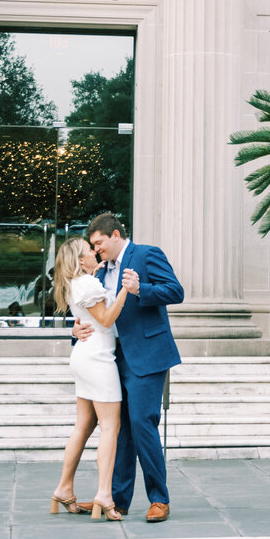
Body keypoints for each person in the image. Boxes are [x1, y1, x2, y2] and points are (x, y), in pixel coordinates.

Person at [72, 213, 184, 523]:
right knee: (118, 429)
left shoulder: (147, 254)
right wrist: (76, 330)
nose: (96, 251)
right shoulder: (99, 271)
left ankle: (159, 499)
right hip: (110, 358)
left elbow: (176, 291)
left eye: (99, 243)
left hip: (147, 355)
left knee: (141, 423)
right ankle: (116, 500)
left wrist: (141, 289)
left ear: (116, 235)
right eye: (93, 246)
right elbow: (95, 310)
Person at [48, 237, 128, 521]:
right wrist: (124, 292)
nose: (94, 252)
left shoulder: (79, 283)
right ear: (81, 261)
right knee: (110, 427)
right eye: (88, 250)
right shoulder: (87, 284)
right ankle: (104, 495)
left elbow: (91, 319)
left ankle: (64, 488)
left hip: (84, 355)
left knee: (84, 425)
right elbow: (106, 320)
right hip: (98, 359)